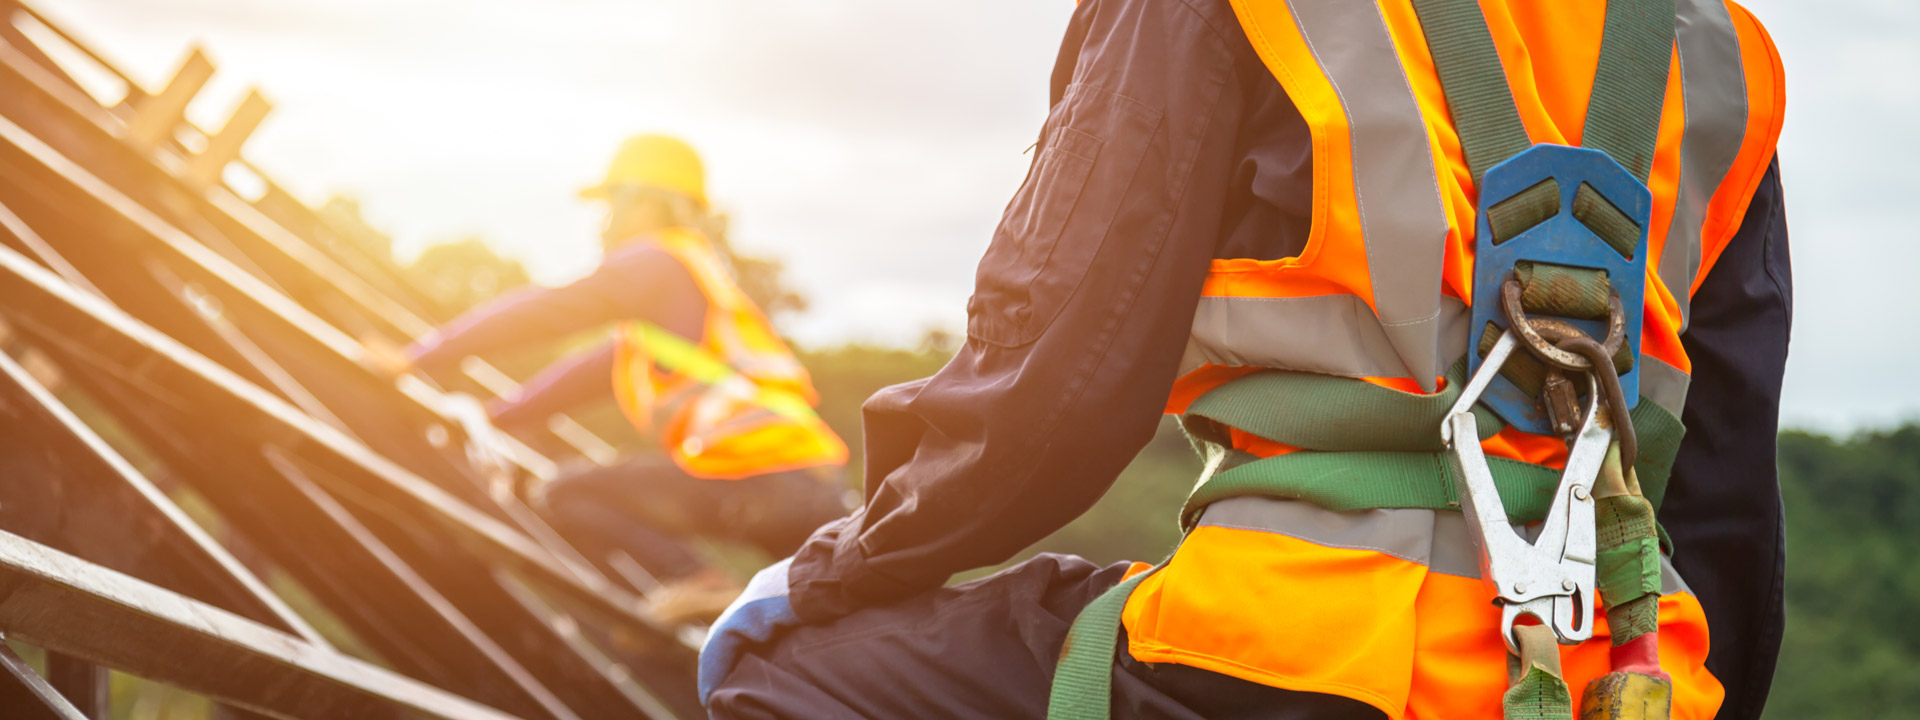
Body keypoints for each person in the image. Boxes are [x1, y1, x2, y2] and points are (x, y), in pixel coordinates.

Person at [698, 0, 1790, 718]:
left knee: (788, 684)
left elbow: (1048, 403)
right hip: (1630, 681)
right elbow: (1726, 493)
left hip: (1291, 652)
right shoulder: (1723, 57)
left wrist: (831, 572)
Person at [388, 135, 850, 620]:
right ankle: (699, 603)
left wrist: (419, 357)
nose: (604, 221)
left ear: (644, 203)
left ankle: (697, 580)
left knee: (569, 492)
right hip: (813, 487)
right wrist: (493, 417)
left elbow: (545, 310)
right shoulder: (679, 306)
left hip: (756, 479)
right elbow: (575, 378)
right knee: (821, 628)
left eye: (610, 204)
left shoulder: (657, 262)